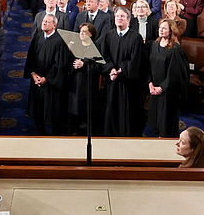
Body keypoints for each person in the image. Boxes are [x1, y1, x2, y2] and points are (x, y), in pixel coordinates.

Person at [100, 7, 144, 136]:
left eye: (122, 16)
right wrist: (111, 69)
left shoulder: (135, 37)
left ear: (128, 20)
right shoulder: (108, 35)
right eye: (117, 16)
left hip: (127, 83)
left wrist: (121, 70)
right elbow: (104, 57)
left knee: (127, 111)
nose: (119, 18)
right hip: (112, 80)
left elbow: (135, 60)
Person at [25, 13, 70, 135]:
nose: (44, 23)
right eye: (43, 21)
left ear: (54, 25)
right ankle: (39, 130)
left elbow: (59, 64)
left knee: (54, 113)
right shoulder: (38, 37)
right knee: (37, 110)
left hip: (51, 84)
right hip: (37, 81)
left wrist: (46, 78)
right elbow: (31, 58)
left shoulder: (60, 41)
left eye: (47, 22)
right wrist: (33, 74)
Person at [147, 18, 189, 138]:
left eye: (165, 28)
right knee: (155, 121)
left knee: (166, 123)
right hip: (154, 87)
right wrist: (150, 83)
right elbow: (150, 65)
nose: (161, 30)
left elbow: (176, 74)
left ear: (171, 31)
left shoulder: (175, 49)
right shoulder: (155, 45)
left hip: (168, 92)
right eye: (160, 27)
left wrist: (162, 88)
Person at [68, 23, 104, 135]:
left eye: (84, 31)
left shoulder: (96, 47)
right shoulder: (75, 47)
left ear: (91, 34)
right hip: (75, 83)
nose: (81, 33)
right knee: (74, 109)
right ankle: (74, 131)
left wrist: (84, 65)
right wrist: (74, 65)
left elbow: (99, 67)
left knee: (89, 111)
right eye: (80, 31)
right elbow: (67, 63)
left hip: (89, 85)